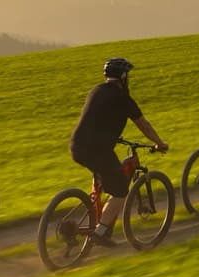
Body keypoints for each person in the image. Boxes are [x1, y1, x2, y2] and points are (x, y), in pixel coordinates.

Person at [70, 57, 169, 247]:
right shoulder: (123, 98)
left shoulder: (96, 90)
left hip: (77, 145)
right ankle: (100, 231)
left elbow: (97, 118)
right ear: (123, 77)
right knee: (121, 190)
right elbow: (143, 125)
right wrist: (159, 143)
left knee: (106, 177)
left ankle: (98, 220)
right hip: (97, 150)